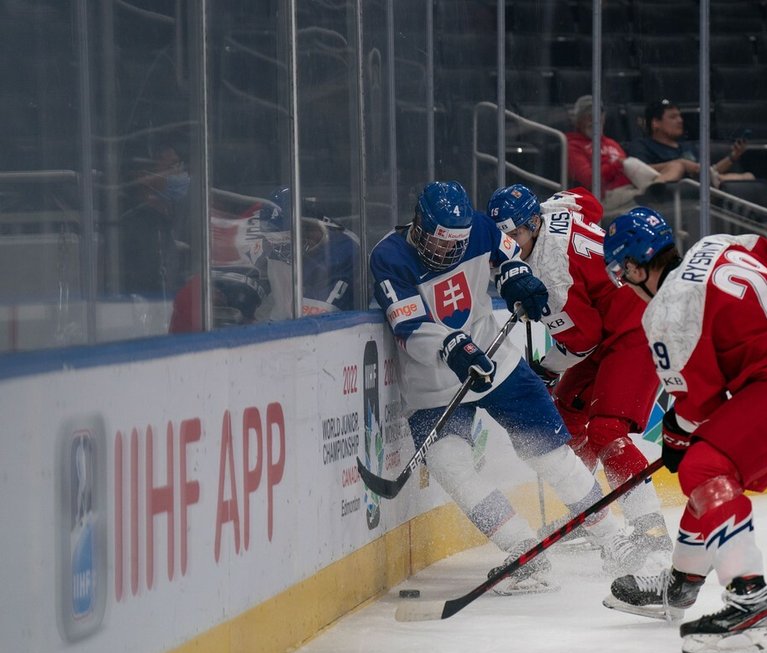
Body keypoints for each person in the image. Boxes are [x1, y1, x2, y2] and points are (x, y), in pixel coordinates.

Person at [601, 208, 767, 653]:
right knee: (710, 468)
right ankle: (681, 586)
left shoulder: (666, 314)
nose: (624, 283)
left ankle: (749, 605)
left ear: (638, 266)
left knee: (704, 466)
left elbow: (699, 407)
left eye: (623, 272)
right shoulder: (718, 244)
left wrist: (676, 438)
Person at [369, 181, 644, 595]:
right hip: (434, 383)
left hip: (498, 363)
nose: (449, 254)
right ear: (420, 224)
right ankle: (523, 550)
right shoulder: (389, 256)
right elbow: (407, 324)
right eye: (440, 244)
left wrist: (517, 278)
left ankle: (613, 539)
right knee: (450, 466)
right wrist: (452, 346)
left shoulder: (478, 227)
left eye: (456, 245)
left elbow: (509, 255)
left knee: (551, 454)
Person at [486, 184, 672, 559]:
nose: (509, 243)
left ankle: (650, 527)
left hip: (636, 327)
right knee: (566, 417)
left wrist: (545, 368)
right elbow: (588, 201)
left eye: (516, 234)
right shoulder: (551, 209)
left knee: (606, 430)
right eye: (502, 235)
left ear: (534, 225)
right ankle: (589, 511)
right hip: (609, 322)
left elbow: (582, 342)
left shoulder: (553, 276)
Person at [169, 187, 360, 332]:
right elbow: (276, 306)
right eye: (277, 239)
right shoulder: (280, 248)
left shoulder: (342, 249)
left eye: (286, 238)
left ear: (305, 225)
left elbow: (316, 319)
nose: (282, 247)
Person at [565, 95, 683, 224]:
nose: (594, 120)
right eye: (588, 116)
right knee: (651, 207)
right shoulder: (572, 145)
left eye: (598, 115)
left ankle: (653, 190)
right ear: (578, 120)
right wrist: (616, 165)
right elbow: (590, 180)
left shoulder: (611, 143)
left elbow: (626, 170)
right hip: (603, 197)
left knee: (674, 177)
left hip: (628, 189)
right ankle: (651, 193)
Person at [627, 99, 754, 189]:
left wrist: (733, 157)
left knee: (748, 177)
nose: (680, 120)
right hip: (670, 193)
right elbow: (639, 170)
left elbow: (707, 172)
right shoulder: (642, 145)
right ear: (656, 123)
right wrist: (679, 164)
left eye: (680, 116)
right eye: (673, 117)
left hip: (699, 186)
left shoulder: (687, 146)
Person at [119, 143, 190, 296]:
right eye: (172, 166)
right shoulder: (135, 227)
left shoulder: (168, 220)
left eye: (180, 166)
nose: (180, 173)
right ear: (143, 178)